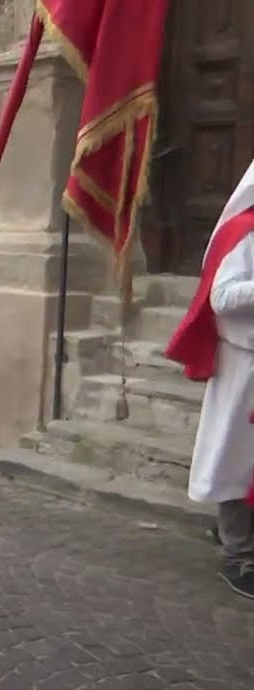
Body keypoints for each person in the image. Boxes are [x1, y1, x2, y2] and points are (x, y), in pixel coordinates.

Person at [166, 156, 254, 599]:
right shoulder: (244, 233)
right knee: (239, 460)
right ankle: (237, 552)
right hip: (246, 365)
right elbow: (223, 296)